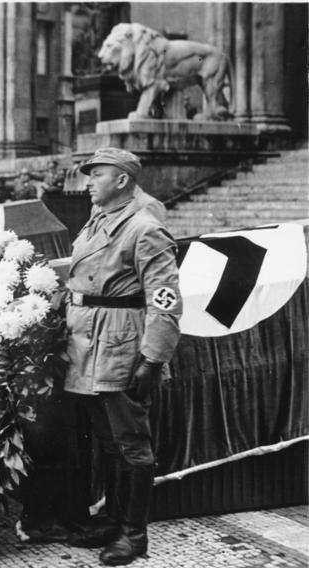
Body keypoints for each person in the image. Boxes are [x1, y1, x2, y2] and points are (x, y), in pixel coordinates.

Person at [64, 147, 182, 565]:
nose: (89, 180)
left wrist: (152, 359)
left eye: (97, 174)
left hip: (121, 345)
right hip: (88, 341)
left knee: (132, 445)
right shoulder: (99, 221)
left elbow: (165, 300)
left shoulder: (144, 228)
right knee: (108, 442)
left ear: (122, 181)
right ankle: (113, 519)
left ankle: (134, 536)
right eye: (89, 174)